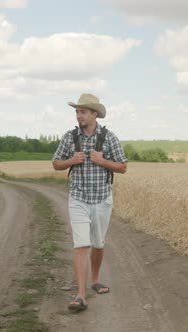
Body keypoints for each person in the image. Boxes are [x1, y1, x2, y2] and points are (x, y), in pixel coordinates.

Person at [52, 93, 128, 312]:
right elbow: (56, 164)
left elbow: (123, 167)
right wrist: (70, 161)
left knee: (98, 244)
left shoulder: (109, 137)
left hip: (102, 199)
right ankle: (81, 296)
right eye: (76, 111)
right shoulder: (69, 137)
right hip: (78, 198)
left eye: (82, 111)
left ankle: (95, 280)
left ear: (95, 114)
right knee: (81, 245)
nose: (78, 116)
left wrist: (101, 160)